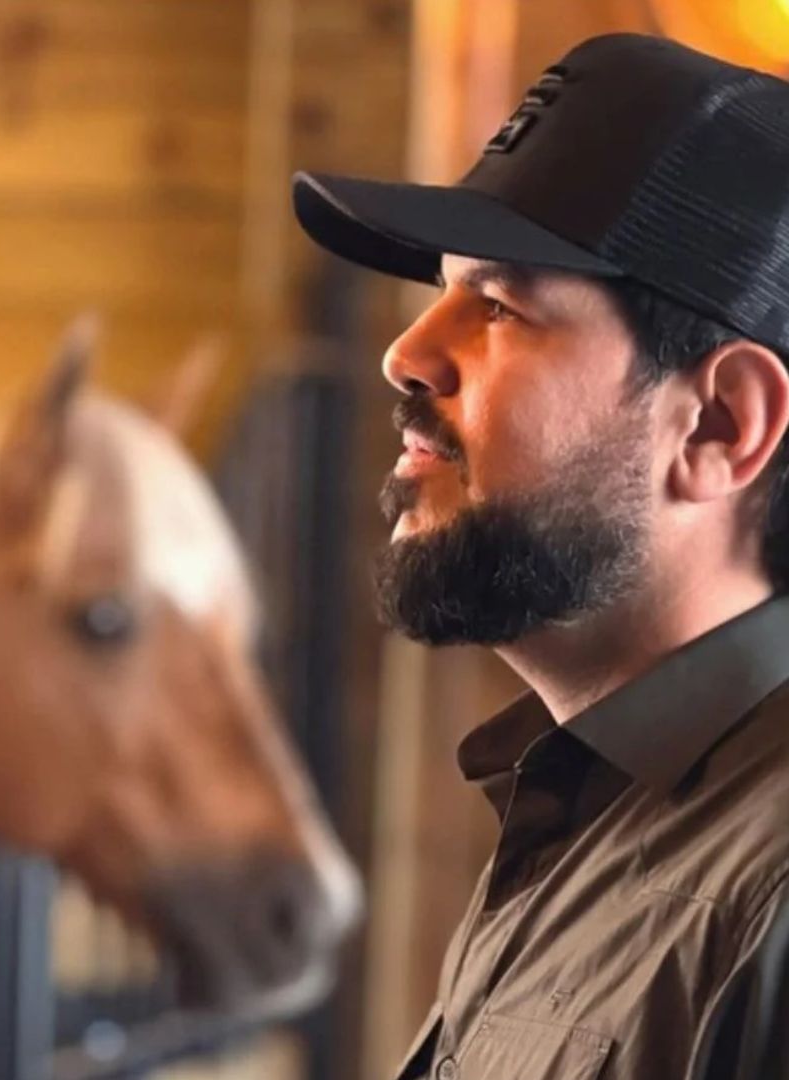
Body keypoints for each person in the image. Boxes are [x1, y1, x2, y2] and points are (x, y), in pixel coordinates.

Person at [292, 33, 789, 1079]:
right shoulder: (579, 806)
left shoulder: (767, 894)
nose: (406, 352)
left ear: (720, 426)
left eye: (499, 306)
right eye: (442, 291)